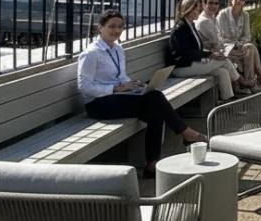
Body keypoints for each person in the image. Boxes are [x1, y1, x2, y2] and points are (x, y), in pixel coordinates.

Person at [77, 9, 203, 178]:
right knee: (155, 99)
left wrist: (133, 85)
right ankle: (185, 133)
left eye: (120, 26)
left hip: (117, 98)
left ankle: (152, 164)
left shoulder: (117, 49)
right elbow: (84, 86)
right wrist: (115, 89)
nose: (116, 30)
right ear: (100, 27)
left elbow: (120, 77)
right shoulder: (91, 53)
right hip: (98, 104)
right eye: (112, 26)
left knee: (155, 109)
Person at [168, 0, 236, 101]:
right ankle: (241, 81)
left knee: (222, 72)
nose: (199, 11)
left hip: (192, 64)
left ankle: (228, 101)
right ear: (189, 11)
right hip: (181, 68)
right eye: (196, 9)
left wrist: (210, 53)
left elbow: (197, 49)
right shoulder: (180, 28)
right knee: (224, 60)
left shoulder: (191, 25)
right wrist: (210, 55)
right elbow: (186, 53)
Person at [197, 0, 257, 95]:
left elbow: (247, 35)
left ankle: (240, 87)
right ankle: (246, 82)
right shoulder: (207, 20)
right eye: (210, 3)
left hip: (220, 49)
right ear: (203, 4)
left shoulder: (212, 17)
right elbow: (218, 41)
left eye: (216, 3)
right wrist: (230, 46)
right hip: (211, 53)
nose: (213, 6)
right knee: (240, 53)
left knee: (249, 48)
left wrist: (237, 44)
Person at [216, 0, 261, 89]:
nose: (238, 0)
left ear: (244, 2)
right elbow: (220, 37)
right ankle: (259, 76)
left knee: (250, 47)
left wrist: (240, 43)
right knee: (250, 48)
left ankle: (250, 80)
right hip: (226, 47)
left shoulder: (245, 15)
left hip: (240, 46)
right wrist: (235, 44)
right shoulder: (223, 14)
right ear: (231, 0)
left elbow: (247, 35)